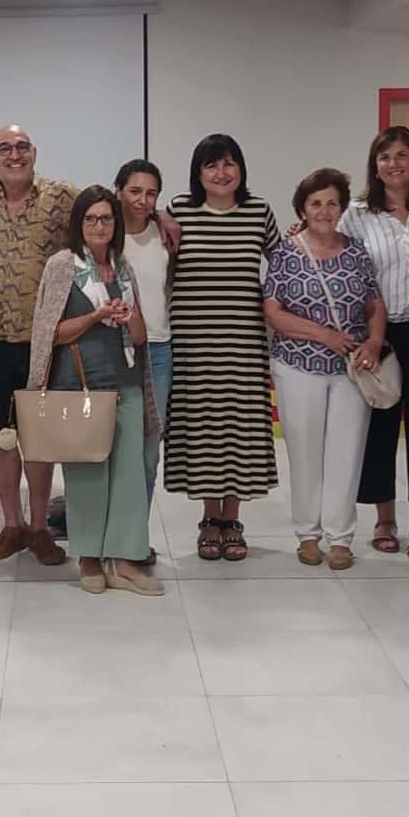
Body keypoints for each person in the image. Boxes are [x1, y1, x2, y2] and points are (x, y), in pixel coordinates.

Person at [26, 187, 164, 596]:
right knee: (86, 476)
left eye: (106, 219)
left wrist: (128, 317)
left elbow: (140, 337)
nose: (100, 226)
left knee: (129, 477)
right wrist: (95, 316)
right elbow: (49, 333)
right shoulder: (62, 266)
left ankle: (123, 560)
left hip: (125, 383)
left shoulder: (123, 267)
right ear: (79, 224)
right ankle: (88, 558)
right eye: (91, 219)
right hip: (79, 387)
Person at [0, 125, 77, 567]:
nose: (14, 154)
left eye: (22, 147)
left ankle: (41, 527)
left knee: (40, 438)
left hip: (45, 341)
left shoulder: (64, 198)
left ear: (35, 152)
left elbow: (106, 219)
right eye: (5, 148)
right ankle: (12, 524)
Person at [164, 133, 280, 563]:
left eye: (230, 163)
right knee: (203, 432)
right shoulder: (179, 210)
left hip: (245, 343)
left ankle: (232, 521)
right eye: (212, 165)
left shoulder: (258, 212)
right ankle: (208, 518)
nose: (222, 172)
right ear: (198, 173)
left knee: (240, 432)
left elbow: (284, 264)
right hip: (192, 344)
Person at [263, 169, 386, 571]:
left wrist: (372, 342)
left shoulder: (356, 251)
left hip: (351, 369)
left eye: (332, 202)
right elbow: (274, 312)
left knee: (346, 453)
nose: (324, 210)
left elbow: (373, 304)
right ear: (303, 207)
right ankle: (308, 535)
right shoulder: (285, 252)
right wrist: (323, 335)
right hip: (298, 365)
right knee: (304, 452)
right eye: (316, 203)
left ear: (342, 207)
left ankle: (341, 538)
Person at [340, 126, 409, 561]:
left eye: (402, 155)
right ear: (374, 165)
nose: (394, 163)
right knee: (379, 428)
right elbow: (340, 261)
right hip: (376, 331)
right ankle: (384, 519)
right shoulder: (357, 213)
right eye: (385, 156)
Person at [116, 159, 172, 556]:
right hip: (112, 354)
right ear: (118, 190)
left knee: (149, 453)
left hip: (158, 351)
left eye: (151, 193)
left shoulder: (166, 234)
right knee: (114, 451)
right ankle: (110, 537)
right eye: (135, 191)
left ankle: (136, 539)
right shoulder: (102, 233)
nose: (143, 199)